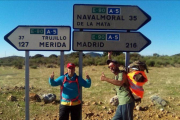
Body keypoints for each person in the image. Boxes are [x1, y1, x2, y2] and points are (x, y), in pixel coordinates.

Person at [100, 52, 135, 120]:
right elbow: (111, 64)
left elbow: (120, 83)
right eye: (109, 67)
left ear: (117, 65)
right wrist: (109, 56)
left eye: (112, 66)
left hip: (126, 102)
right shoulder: (116, 75)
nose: (111, 68)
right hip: (121, 103)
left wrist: (106, 79)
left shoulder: (122, 73)